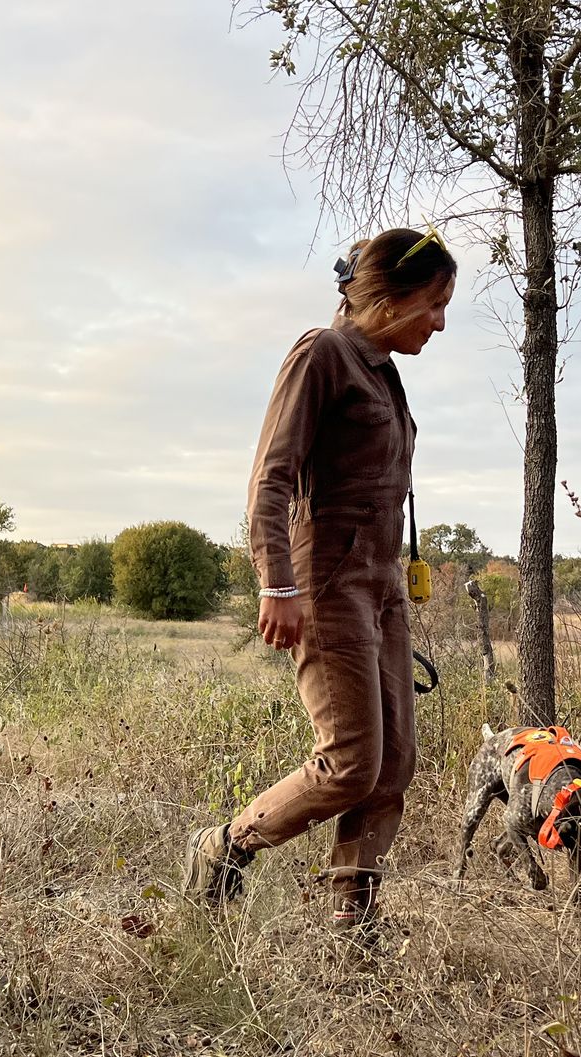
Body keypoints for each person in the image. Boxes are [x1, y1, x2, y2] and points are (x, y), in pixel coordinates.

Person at [185, 226, 457, 930]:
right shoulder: (323, 354)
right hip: (326, 583)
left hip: (382, 587)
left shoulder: (383, 370)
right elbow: (270, 480)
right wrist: (276, 584)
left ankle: (352, 924)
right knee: (350, 765)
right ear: (391, 298)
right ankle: (224, 848)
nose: (440, 322)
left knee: (394, 766)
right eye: (433, 303)